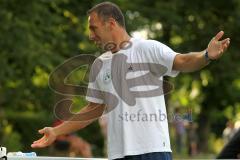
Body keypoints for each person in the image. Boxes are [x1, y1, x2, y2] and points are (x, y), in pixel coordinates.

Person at [31, 2, 230, 160]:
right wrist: (56, 131)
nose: (91, 36)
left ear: (111, 23)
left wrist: (206, 55)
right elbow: (92, 110)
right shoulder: (99, 64)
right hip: (118, 154)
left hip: (153, 151)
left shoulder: (148, 48)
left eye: (94, 28)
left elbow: (184, 60)